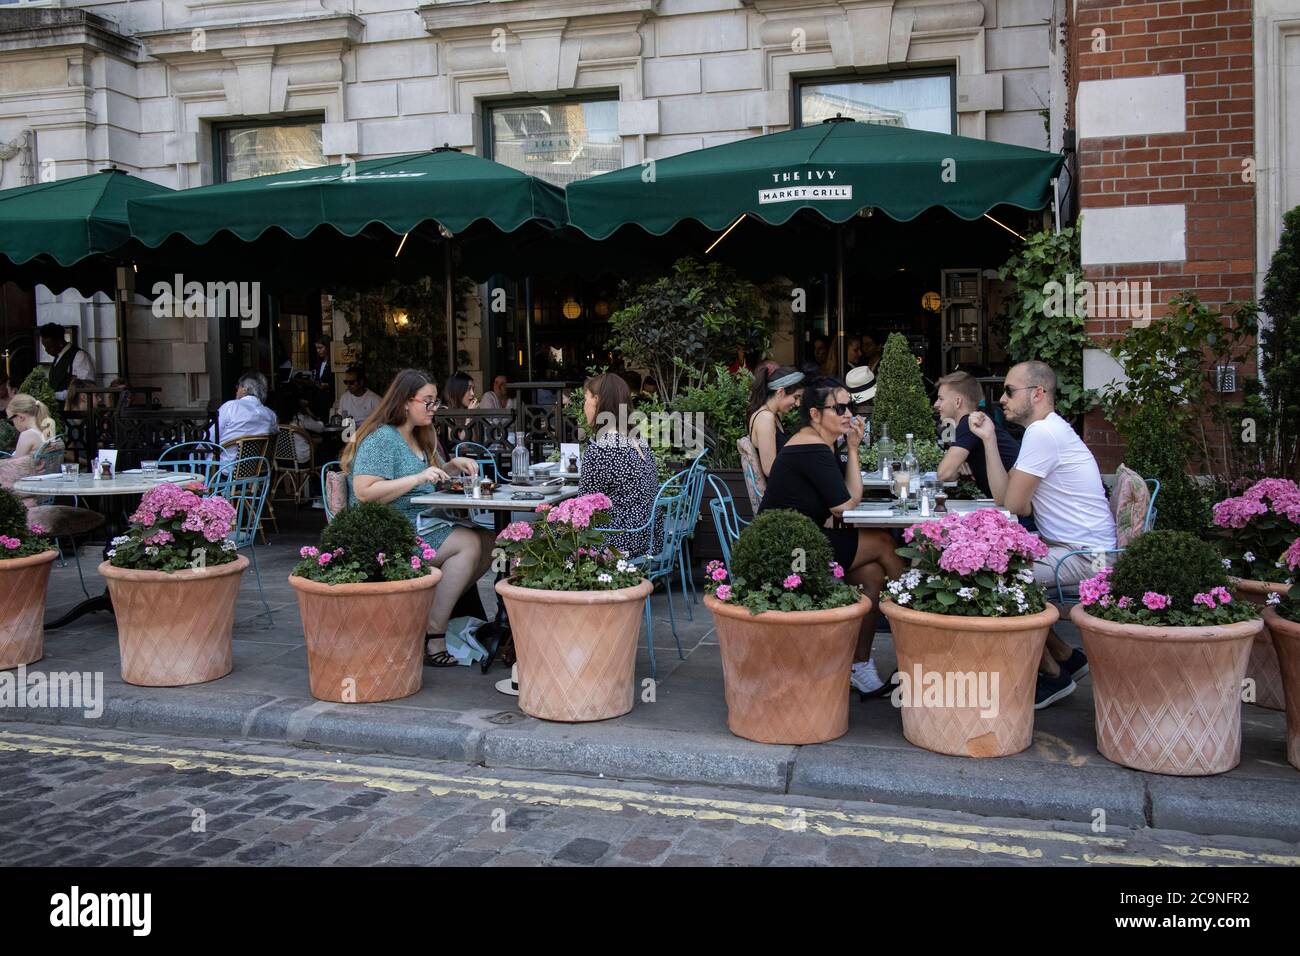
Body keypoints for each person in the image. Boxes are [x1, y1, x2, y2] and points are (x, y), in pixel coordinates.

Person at [967, 360, 1117, 709]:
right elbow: (1007, 500)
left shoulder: (1043, 433)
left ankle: (1052, 675)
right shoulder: (1047, 430)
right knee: (1003, 571)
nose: (1001, 399)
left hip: (1082, 557)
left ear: (1038, 393)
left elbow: (1016, 507)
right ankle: (1066, 656)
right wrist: (989, 439)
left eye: (1008, 391)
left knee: (989, 577)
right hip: (1079, 550)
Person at [760, 377, 906, 695]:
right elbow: (844, 507)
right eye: (839, 407)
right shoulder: (811, 447)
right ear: (815, 414)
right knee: (883, 543)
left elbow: (848, 498)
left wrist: (852, 448)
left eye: (850, 406)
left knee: (872, 574)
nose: (848, 414)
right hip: (788, 549)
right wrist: (849, 457)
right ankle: (918, 625)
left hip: (801, 540)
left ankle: (859, 665)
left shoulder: (821, 443)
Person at [345, 369, 495, 667]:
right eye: (427, 401)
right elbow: (364, 492)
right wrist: (415, 478)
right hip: (387, 531)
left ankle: (424, 615)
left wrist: (453, 465)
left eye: (435, 402)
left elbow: (434, 476)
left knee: (491, 542)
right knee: (468, 544)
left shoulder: (420, 436)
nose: (433, 408)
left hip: (422, 523)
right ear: (404, 402)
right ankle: (432, 633)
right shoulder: (382, 439)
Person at [579, 373, 660, 559]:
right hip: (646, 535)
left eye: (586, 399)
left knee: (546, 537)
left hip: (620, 541)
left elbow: (584, 505)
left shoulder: (602, 447)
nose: (585, 407)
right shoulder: (637, 439)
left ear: (597, 401)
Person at [933, 370, 1019, 499]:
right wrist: (958, 465)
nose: (936, 404)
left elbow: (944, 474)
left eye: (941, 399)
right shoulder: (974, 421)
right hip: (1013, 501)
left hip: (1018, 509)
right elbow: (949, 473)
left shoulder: (969, 424)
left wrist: (955, 468)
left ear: (957, 402)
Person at [745, 364, 803, 480]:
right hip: (780, 494)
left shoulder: (772, 415)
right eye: (796, 397)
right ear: (780, 392)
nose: (798, 404)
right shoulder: (765, 418)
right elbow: (770, 469)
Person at [214, 371, 279, 461]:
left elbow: (211, 436)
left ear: (245, 389)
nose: (236, 390)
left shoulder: (231, 407)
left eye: (238, 387)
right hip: (257, 470)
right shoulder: (270, 415)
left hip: (224, 469)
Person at [39, 323, 95, 406]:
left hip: (72, 411)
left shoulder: (79, 356)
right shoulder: (58, 357)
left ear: (60, 342)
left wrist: (55, 395)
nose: (47, 351)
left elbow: (85, 387)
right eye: (45, 347)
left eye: (49, 346)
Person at [6, 393, 57, 459]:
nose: (13, 424)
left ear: (21, 417)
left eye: (11, 420)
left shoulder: (28, 435)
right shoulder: (47, 431)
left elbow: (14, 466)